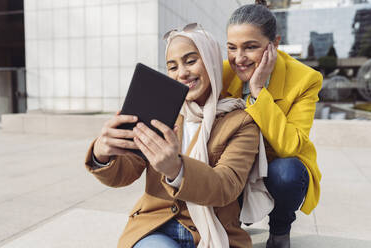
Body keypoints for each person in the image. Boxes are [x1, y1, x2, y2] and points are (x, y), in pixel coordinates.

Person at [85, 25, 261, 248]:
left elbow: (227, 185)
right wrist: (102, 154)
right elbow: (126, 172)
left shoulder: (240, 122)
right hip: (156, 227)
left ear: (212, 61)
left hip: (215, 232)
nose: (182, 73)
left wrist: (177, 170)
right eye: (172, 67)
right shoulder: (163, 112)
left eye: (190, 61)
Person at [222, 1, 323, 248]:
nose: (239, 58)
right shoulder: (223, 72)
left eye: (250, 47)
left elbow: (290, 146)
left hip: (276, 165)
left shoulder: (305, 79)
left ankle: (279, 229)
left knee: (287, 173)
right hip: (235, 163)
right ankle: (231, 220)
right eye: (232, 47)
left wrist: (257, 90)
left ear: (275, 44)